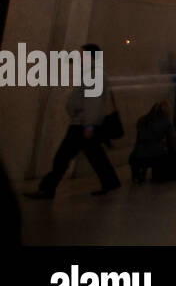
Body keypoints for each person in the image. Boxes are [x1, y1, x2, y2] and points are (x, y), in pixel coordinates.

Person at [26, 44, 121, 199]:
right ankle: (110, 182)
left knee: (63, 157)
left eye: (81, 55)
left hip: (82, 124)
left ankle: (47, 189)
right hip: (83, 123)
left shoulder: (95, 75)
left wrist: (89, 124)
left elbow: (93, 101)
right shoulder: (92, 74)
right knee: (95, 156)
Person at [129, 102, 176, 183]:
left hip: (137, 154)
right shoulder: (166, 122)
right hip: (155, 155)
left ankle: (138, 175)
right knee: (166, 153)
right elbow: (171, 141)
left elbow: (139, 139)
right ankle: (160, 175)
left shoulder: (141, 120)